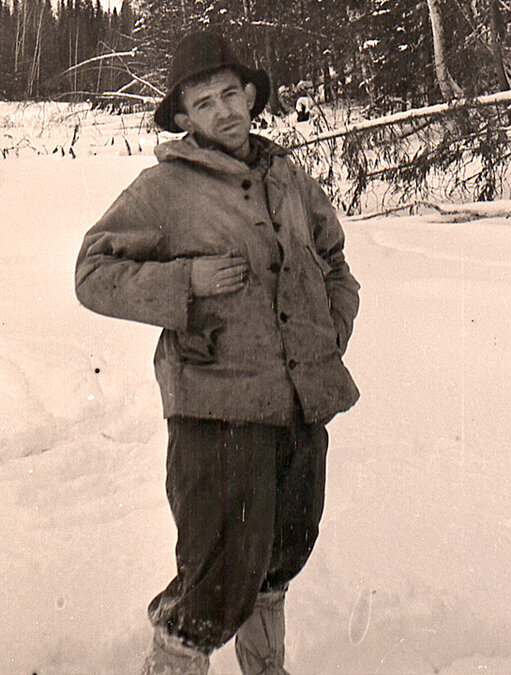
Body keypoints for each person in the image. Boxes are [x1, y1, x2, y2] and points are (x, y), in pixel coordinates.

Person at [74, 31, 359, 674]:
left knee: (285, 550)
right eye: (205, 103)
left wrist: (332, 332)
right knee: (217, 576)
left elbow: (335, 260)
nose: (225, 111)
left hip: (298, 401)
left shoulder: (287, 174)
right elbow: (92, 272)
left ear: (251, 96)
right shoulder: (166, 188)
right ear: (184, 119)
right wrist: (184, 283)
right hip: (216, 409)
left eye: (231, 93)